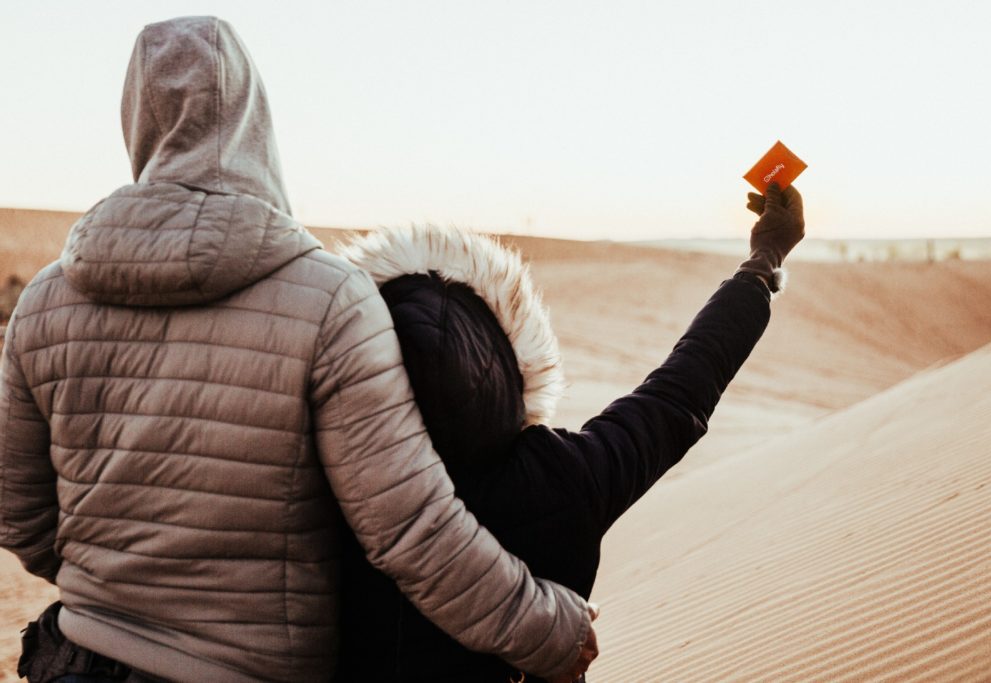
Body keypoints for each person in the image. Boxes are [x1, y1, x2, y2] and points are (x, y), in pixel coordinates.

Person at [0, 16, 597, 683]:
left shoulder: (46, 300)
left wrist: (111, 576)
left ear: (135, 121)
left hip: (78, 660)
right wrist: (549, 628)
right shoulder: (331, 300)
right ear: (260, 126)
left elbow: (17, 511)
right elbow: (409, 528)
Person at [334, 182, 804, 681]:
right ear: (515, 365)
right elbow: (681, 390)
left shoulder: (317, 475)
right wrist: (763, 258)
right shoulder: (563, 478)